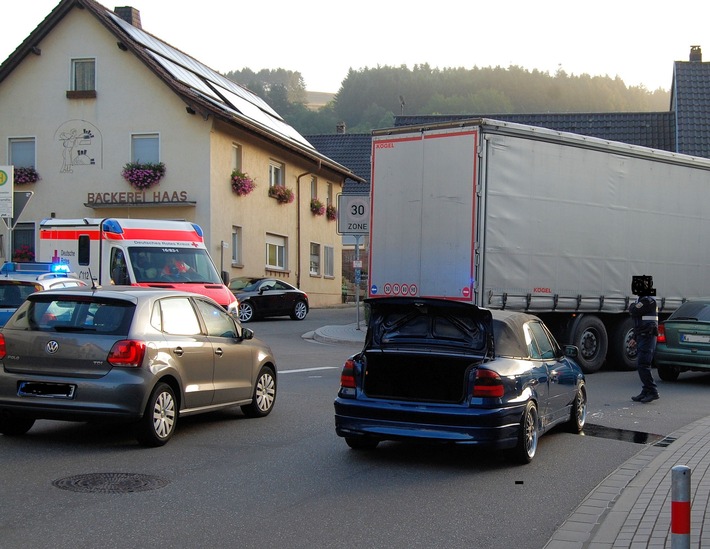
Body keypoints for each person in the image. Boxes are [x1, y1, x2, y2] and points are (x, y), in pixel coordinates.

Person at [628, 276, 659, 403]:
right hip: (642, 335)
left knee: (643, 364)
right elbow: (638, 320)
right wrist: (635, 337)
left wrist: (632, 306)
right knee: (642, 364)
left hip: (648, 336)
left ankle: (652, 391)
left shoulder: (648, 300)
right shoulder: (642, 299)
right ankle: (646, 390)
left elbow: (633, 310)